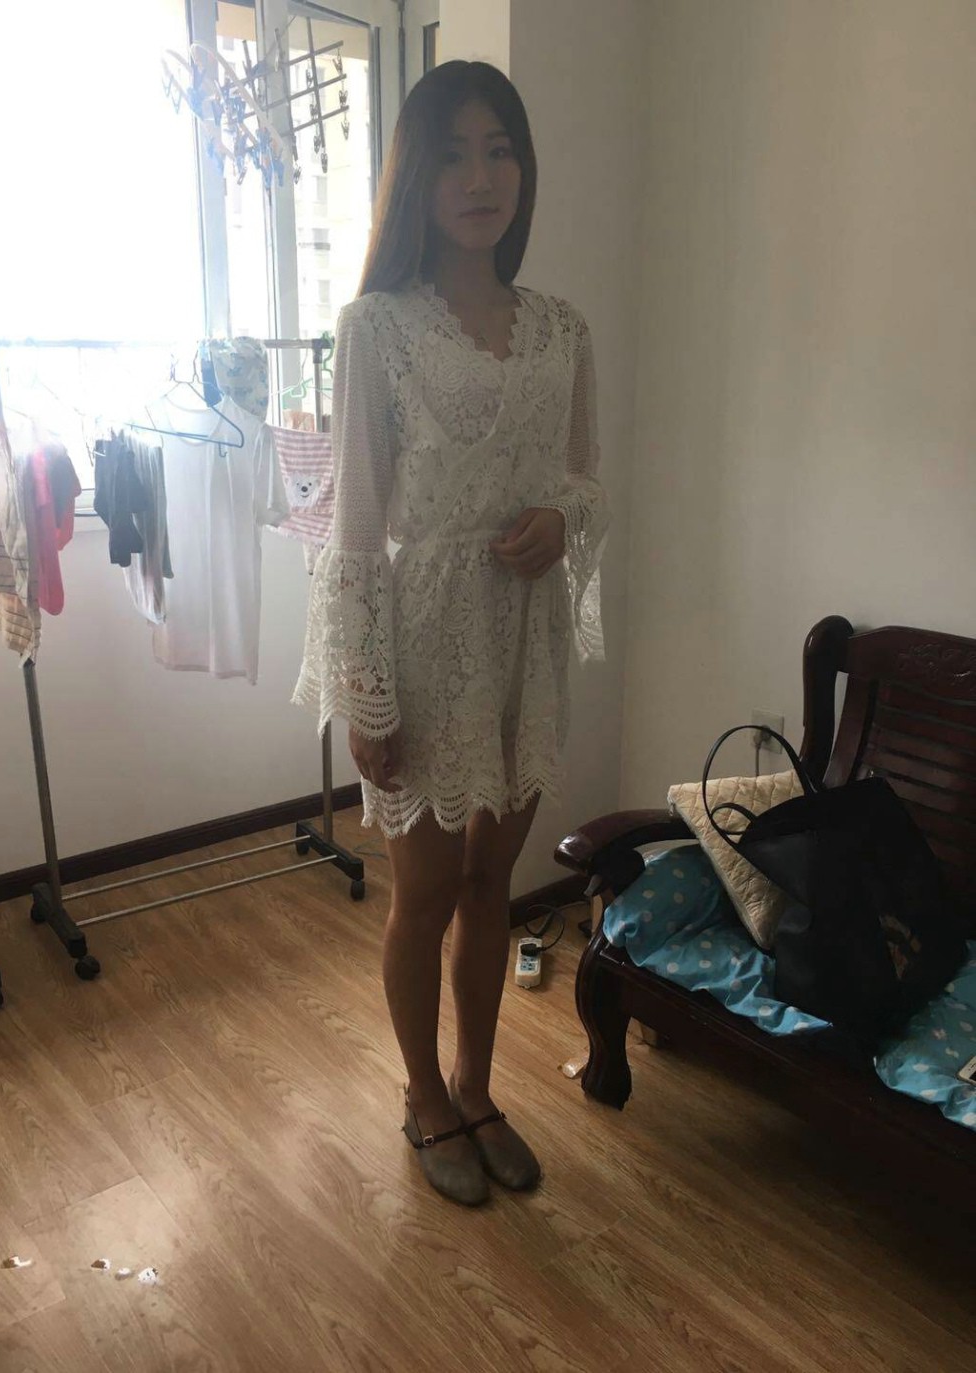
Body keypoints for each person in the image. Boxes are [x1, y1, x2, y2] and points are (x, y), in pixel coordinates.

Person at [294, 60, 609, 1206]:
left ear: (523, 169)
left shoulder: (563, 326)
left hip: (524, 638)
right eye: (455, 154)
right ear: (416, 179)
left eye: (501, 150)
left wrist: (559, 521)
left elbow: (586, 482)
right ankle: (422, 1092)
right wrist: (365, 688)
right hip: (422, 640)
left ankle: (477, 1085)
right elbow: (354, 526)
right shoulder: (376, 327)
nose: (481, 178)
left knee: (493, 880)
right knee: (422, 893)